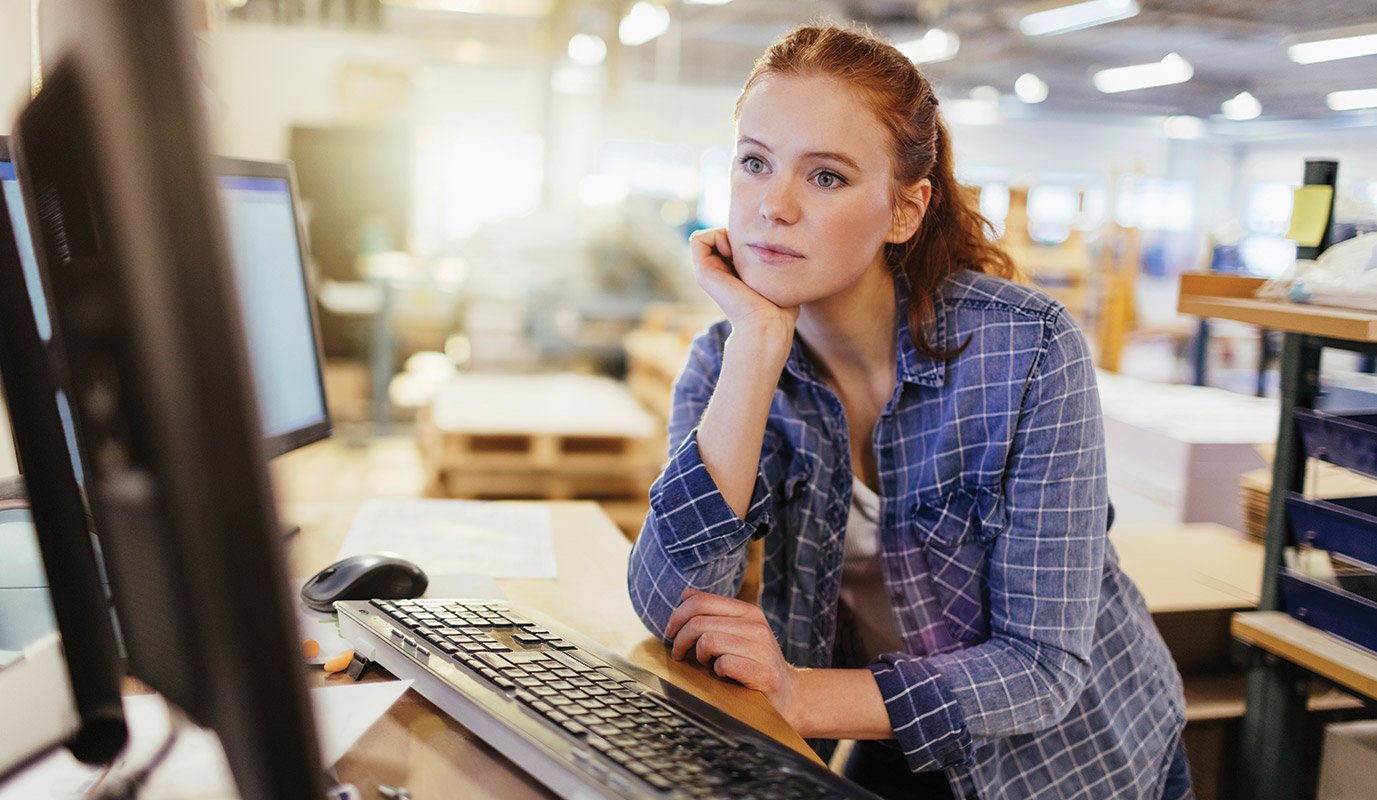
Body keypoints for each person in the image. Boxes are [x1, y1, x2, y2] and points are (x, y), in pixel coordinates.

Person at [627, 23, 1192, 800]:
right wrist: (757, 343)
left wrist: (798, 693)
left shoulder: (1025, 349)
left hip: (1067, 766)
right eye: (754, 163)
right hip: (886, 727)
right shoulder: (724, 362)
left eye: (825, 178)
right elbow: (668, 606)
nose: (773, 207)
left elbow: (1042, 667)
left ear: (903, 209)